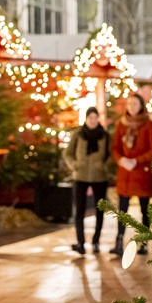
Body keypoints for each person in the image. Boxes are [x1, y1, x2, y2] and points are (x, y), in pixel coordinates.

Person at [111, 93, 152, 256]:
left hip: (141, 173)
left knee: (144, 209)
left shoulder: (148, 125)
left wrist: (137, 161)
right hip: (125, 173)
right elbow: (115, 147)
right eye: (129, 103)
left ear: (141, 106)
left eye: (135, 104)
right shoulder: (121, 124)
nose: (132, 106)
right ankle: (119, 241)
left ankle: (144, 241)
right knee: (122, 209)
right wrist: (121, 160)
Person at [64, 106, 110, 255]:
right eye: (90, 118)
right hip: (80, 176)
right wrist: (75, 166)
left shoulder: (104, 135)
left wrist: (104, 166)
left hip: (99, 177)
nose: (93, 120)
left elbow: (111, 155)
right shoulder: (78, 134)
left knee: (100, 210)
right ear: (86, 119)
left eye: (95, 118)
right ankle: (80, 242)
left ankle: (96, 241)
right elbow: (68, 153)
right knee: (80, 210)